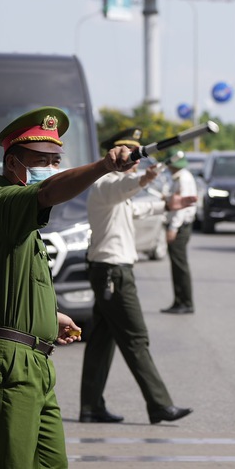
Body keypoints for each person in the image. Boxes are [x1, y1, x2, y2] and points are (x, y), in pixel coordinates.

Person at [0, 106, 136, 469]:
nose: (51, 167)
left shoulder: (23, 222)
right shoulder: (1, 203)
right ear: (13, 163)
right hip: (9, 363)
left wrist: (49, 316)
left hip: (35, 362)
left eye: (56, 159)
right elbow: (47, 192)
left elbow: (18, 280)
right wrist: (104, 166)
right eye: (42, 159)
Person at [80, 128, 196, 425]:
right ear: (114, 156)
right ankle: (159, 404)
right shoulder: (107, 183)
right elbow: (127, 190)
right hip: (113, 273)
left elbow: (133, 208)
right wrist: (144, 179)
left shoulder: (115, 188)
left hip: (108, 270)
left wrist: (167, 205)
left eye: (136, 155)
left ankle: (91, 407)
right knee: (135, 338)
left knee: (102, 341)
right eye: (128, 155)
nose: (133, 161)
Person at [160, 152, 197, 314]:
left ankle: (185, 302)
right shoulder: (178, 177)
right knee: (177, 265)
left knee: (179, 265)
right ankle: (179, 301)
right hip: (180, 225)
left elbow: (181, 207)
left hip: (180, 226)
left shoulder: (183, 178)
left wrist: (173, 228)